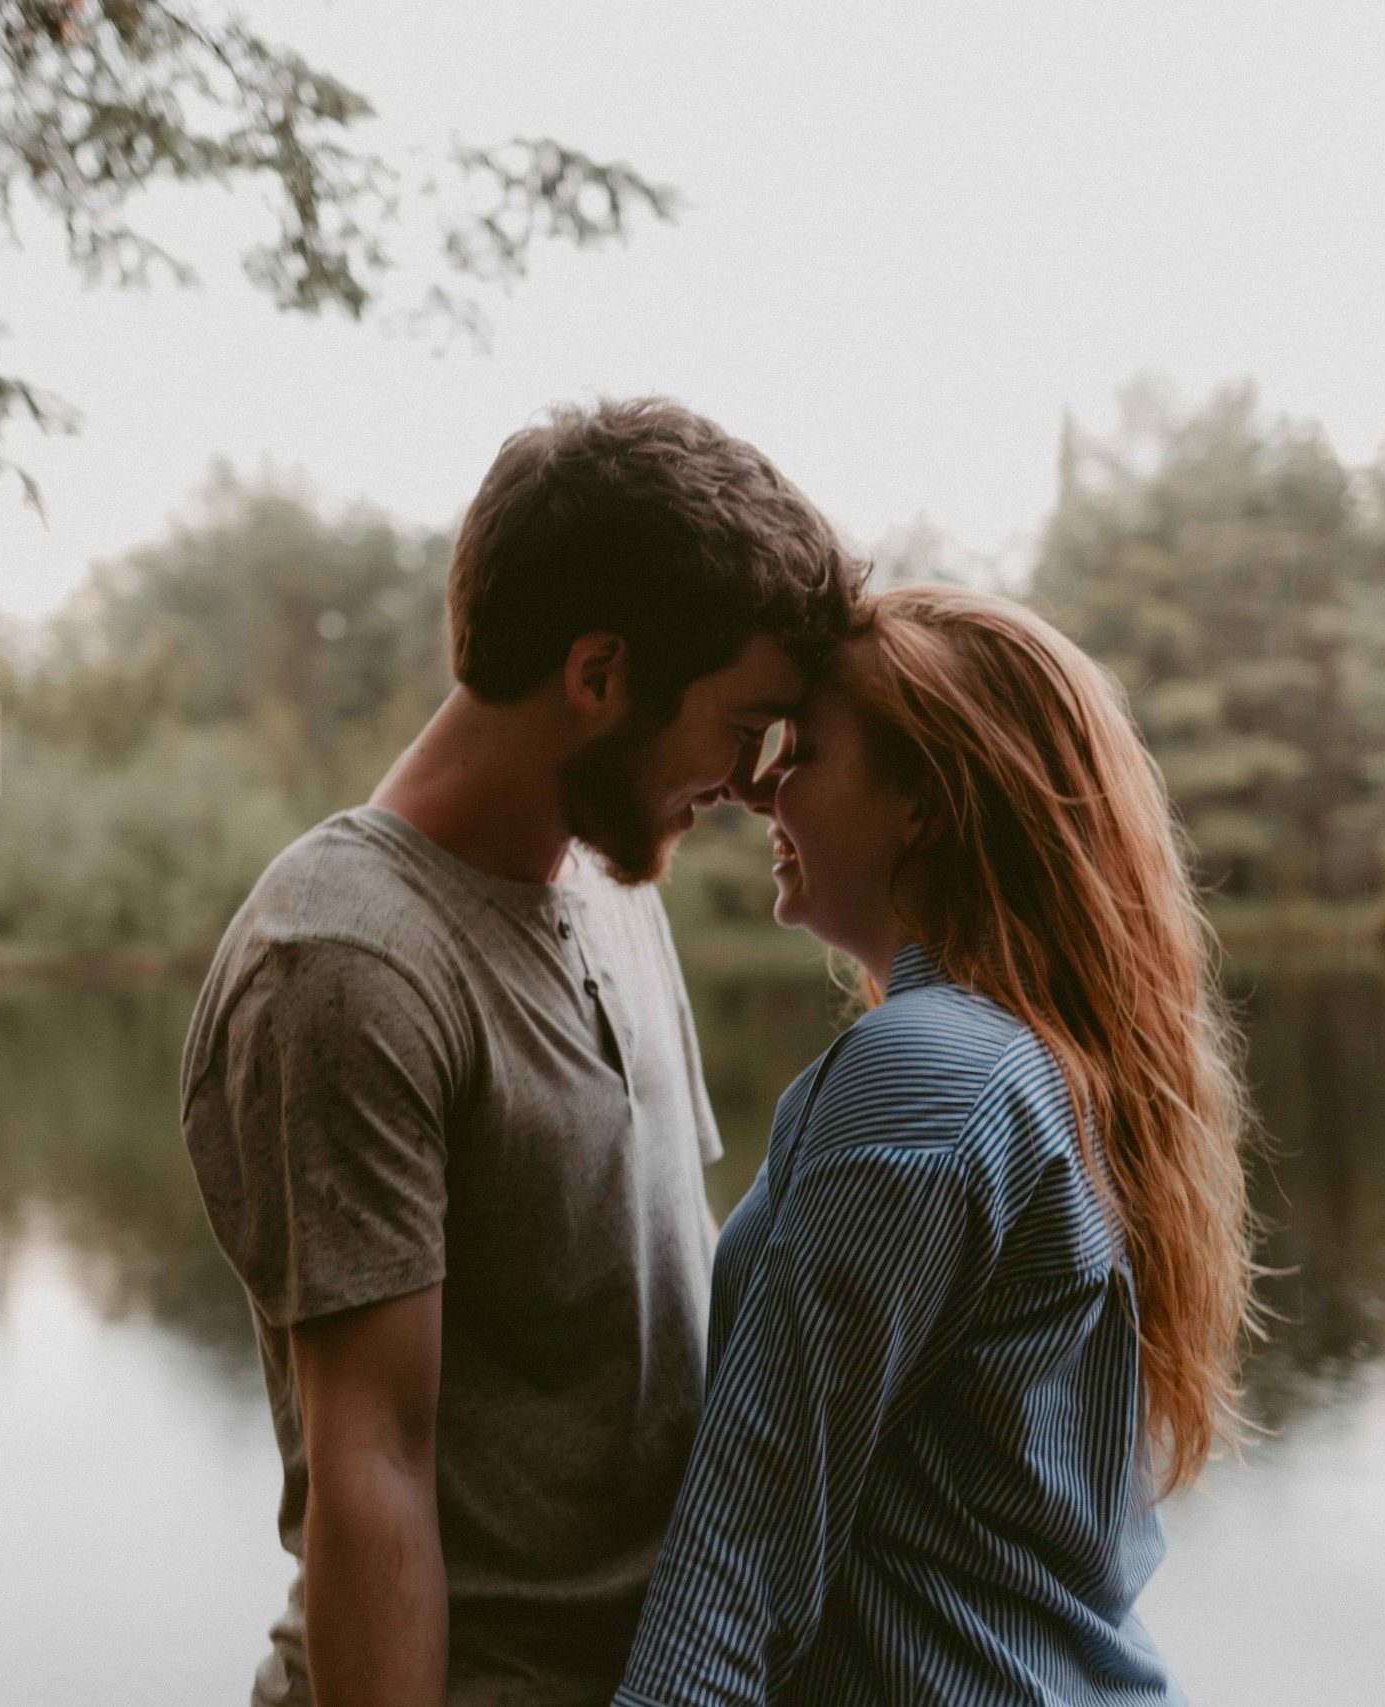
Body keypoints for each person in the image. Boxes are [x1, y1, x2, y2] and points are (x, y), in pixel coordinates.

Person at [180, 398, 863, 1707]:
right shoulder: (346, 960)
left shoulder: (613, 882)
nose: (757, 781)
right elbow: (370, 1457)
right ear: (600, 675)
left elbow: (661, 1298)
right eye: (741, 724)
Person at [616, 584, 1256, 1706]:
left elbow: (740, 1556)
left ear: (921, 802)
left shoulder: (926, 1076)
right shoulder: (1037, 1058)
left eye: (805, 750)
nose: (760, 788)